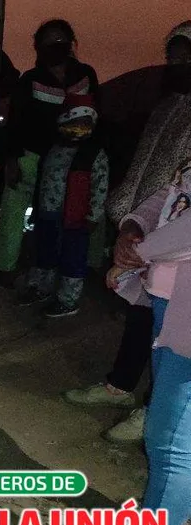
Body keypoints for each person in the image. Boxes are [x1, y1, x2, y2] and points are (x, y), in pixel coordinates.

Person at [65, 22, 191, 442]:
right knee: (141, 314)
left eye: (185, 55)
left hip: (175, 247)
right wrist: (133, 224)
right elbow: (163, 181)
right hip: (148, 231)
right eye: (172, 55)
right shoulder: (167, 106)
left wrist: (145, 246)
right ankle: (121, 386)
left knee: (171, 339)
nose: (176, 63)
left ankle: (155, 411)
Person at [82, 158, 191, 525]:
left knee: (170, 436)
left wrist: (138, 254)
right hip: (171, 299)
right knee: (178, 428)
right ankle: (178, 515)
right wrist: (134, 229)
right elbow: (170, 195)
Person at [0, 20, 99, 281]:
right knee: (13, 208)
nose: (54, 47)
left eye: (59, 41)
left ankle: (81, 267)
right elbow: (15, 122)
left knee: (74, 212)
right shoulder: (30, 80)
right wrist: (12, 159)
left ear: (70, 43)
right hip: (33, 156)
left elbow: (98, 115)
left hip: (74, 157)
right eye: (47, 43)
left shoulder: (86, 75)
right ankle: (5, 269)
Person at [19, 94, 108, 318]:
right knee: (44, 252)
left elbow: (100, 187)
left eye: (86, 124)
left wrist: (93, 216)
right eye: (75, 123)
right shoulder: (53, 148)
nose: (80, 129)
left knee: (73, 258)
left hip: (76, 218)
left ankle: (68, 300)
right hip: (48, 213)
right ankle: (40, 288)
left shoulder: (93, 153)